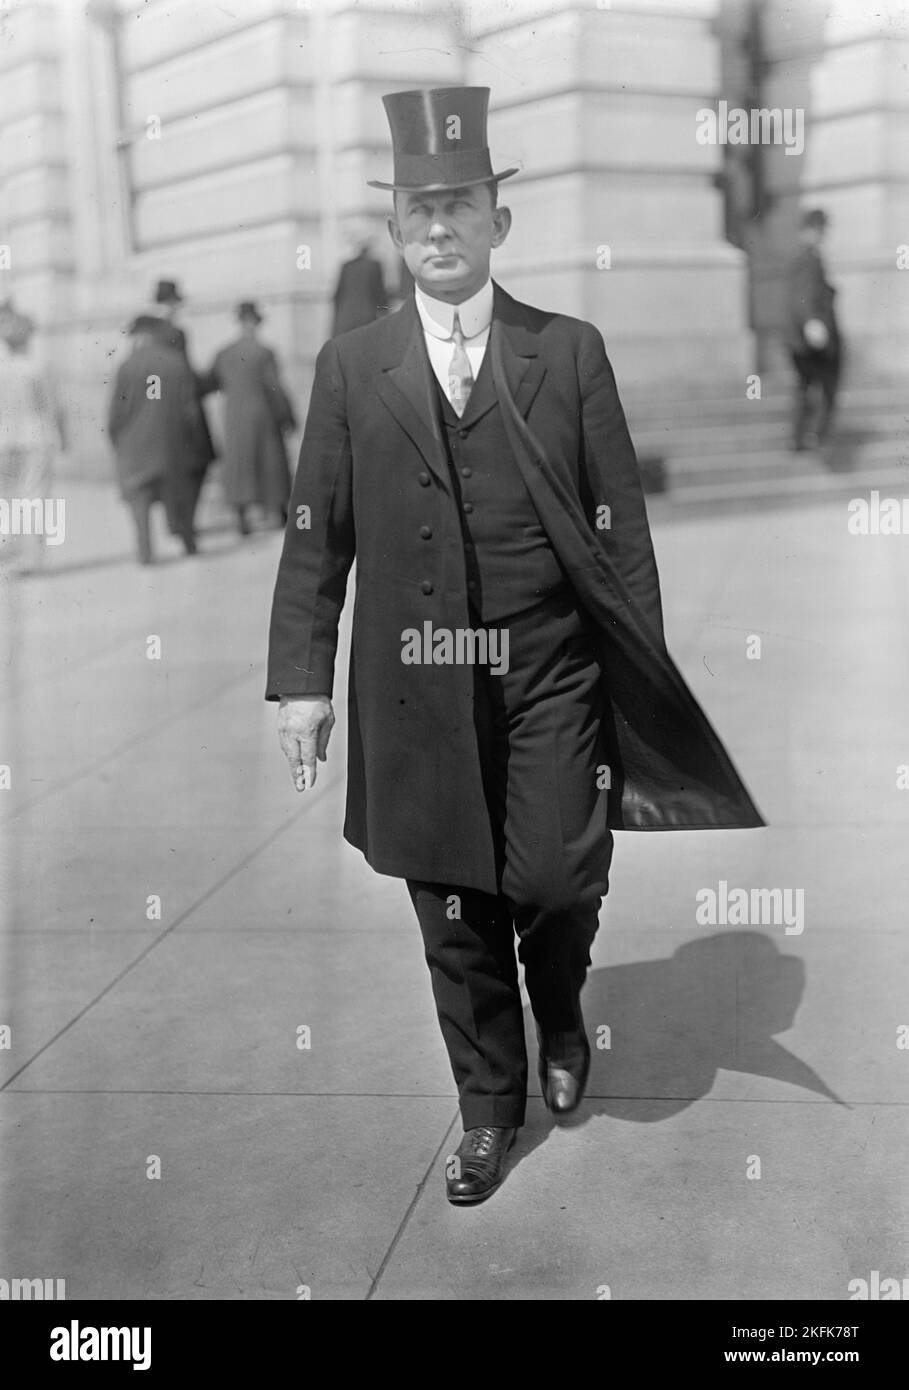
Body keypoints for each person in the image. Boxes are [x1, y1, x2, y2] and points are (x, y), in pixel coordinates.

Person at [267, 87, 763, 1206]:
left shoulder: (568, 352)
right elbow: (316, 536)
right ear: (395, 231)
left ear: (499, 220)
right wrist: (303, 682)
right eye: (419, 210)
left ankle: (562, 1007)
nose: (439, 227)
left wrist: (638, 676)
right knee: (451, 903)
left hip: (550, 672)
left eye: (460, 206)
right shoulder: (350, 366)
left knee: (555, 874)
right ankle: (490, 1107)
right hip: (412, 686)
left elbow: (621, 533)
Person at [107, 315, 201, 562]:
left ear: (141, 335)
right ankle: (188, 543)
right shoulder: (176, 363)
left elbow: (117, 412)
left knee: (139, 501)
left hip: (135, 447)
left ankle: (145, 552)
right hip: (171, 445)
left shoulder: (128, 365)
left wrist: (116, 439)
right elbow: (190, 410)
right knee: (178, 498)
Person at [203, 301, 295, 535]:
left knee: (239, 464)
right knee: (270, 463)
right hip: (263, 414)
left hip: (235, 417)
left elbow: (210, 382)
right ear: (256, 323)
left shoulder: (224, 353)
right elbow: (275, 387)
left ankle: (241, 516)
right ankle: (278, 511)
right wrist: (287, 416)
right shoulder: (265, 352)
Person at [149, 278, 217, 524]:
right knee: (198, 462)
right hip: (181, 406)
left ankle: (176, 521)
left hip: (156, 408)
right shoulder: (175, 333)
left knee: (171, 468)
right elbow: (184, 372)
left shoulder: (147, 334)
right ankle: (184, 521)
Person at [0, 303, 60, 576]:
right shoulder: (37, 367)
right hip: (36, 436)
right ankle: (33, 558)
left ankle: (7, 549)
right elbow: (50, 405)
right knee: (35, 496)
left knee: (7, 496)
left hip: (5, 438)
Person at [786, 208, 841, 451]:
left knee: (808, 388)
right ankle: (813, 437)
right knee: (823, 388)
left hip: (804, 337)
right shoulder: (808, 258)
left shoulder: (807, 257)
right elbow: (801, 296)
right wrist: (811, 322)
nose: (820, 235)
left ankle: (802, 437)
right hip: (813, 337)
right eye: (817, 230)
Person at [330, 230, 387, 336]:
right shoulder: (374, 266)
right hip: (367, 318)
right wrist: (386, 312)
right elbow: (380, 296)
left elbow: (337, 297)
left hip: (344, 319)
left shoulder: (346, 266)